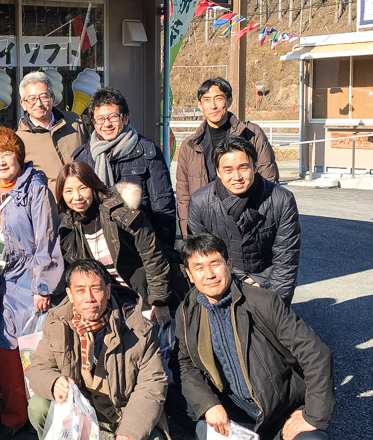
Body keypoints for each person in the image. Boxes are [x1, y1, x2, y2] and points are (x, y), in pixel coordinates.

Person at [176, 233, 334, 440]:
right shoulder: (187, 311)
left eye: (215, 263)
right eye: (199, 268)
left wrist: (312, 415)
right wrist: (209, 404)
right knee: (175, 403)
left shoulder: (263, 301)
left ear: (228, 263)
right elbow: (186, 365)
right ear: (189, 275)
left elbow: (317, 354)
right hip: (235, 403)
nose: (209, 274)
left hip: (280, 402)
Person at [25, 260, 177, 440]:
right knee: (38, 406)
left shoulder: (138, 328)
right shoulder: (57, 322)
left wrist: (131, 431)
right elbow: (38, 367)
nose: (89, 298)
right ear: (69, 293)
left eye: (96, 289)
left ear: (107, 290)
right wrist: (53, 381)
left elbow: (152, 384)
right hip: (80, 408)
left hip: (120, 408)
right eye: (80, 290)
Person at [0, 127, 63, 440]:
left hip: (28, 278)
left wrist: (42, 287)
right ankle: (14, 417)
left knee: (35, 351)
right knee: (5, 351)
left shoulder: (35, 189)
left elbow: (45, 240)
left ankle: (46, 417)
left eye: (5, 154)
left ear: (18, 155)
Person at [55, 161, 185, 340]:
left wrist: (160, 301)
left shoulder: (121, 213)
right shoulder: (68, 229)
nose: (76, 197)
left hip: (145, 295)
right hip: (112, 302)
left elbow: (153, 256)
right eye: (68, 191)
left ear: (93, 187)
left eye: (82, 188)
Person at [187, 135, 301, 306]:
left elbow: (286, 262)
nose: (237, 176)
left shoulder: (281, 200)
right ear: (218, 172)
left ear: (255, 166)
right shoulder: (200, 202)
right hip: (224, 285)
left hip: (267, 283)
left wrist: (276, 306)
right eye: (228, 170)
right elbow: (202, 260)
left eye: (243, 168)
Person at [72, 87, 176, 251]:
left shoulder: (147, 152)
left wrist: (164, 252)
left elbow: (163, 207)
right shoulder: (83, 158)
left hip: (141, 245)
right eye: (100, 119)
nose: (106, 124)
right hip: (98, 247)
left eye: (113, 117)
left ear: (126, 118)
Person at [176, 77, 279, 237]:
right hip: (206, 223)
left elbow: (269, 180)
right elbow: (183, 195)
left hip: (247, 222)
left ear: (229, 101)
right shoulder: (190, 145)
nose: (213, 105)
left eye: (219, 98)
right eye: (207, 100)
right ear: (199, 104)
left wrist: (258, 220)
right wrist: (188, 234)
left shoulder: (251, 134)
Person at [15, 71, 87, 193]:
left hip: (83, 200)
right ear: (23, 104)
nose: (38, 104)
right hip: (48, 206)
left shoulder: (74, 122)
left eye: (44, 97)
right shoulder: (19, 139)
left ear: (53, 99)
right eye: (32, 99)